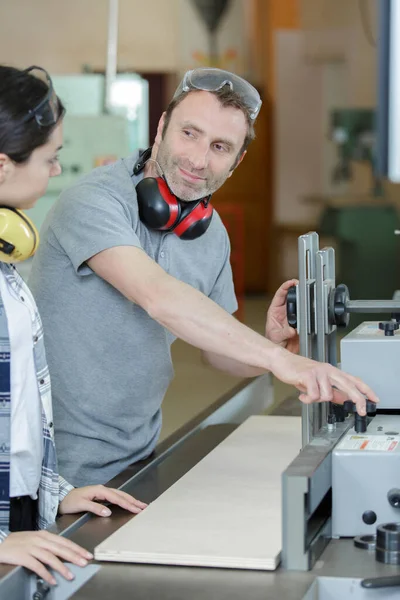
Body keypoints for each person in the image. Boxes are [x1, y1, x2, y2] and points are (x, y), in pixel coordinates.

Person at [29, 67, 378, 489]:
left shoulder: (210, 234)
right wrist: (285, 363)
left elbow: (216, 354)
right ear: (160, 127)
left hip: (135, 458)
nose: (198, 160)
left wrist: (269, 344)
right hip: (49, 466)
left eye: (219, 146)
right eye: (189, 133)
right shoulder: (92, 202)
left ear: (237, 160)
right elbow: (158, 296)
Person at [0, 65, 147, 587]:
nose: (57, 171)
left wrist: (52, 493)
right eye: (50, 158)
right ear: (2, 166)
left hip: (18, 513)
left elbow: (13, 414)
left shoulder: (6, 269)